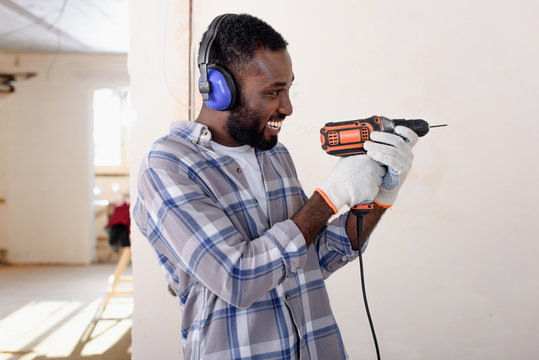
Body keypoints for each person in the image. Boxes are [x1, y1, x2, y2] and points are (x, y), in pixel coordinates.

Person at [133, 13, 417, 360]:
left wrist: (381, 195)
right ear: (218, 89)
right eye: (273, 92)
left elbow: (314, 259)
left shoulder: (274, 155)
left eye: (288, 88)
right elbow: (237, 277)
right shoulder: (169, 164)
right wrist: (329, 197)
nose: (287, 107)